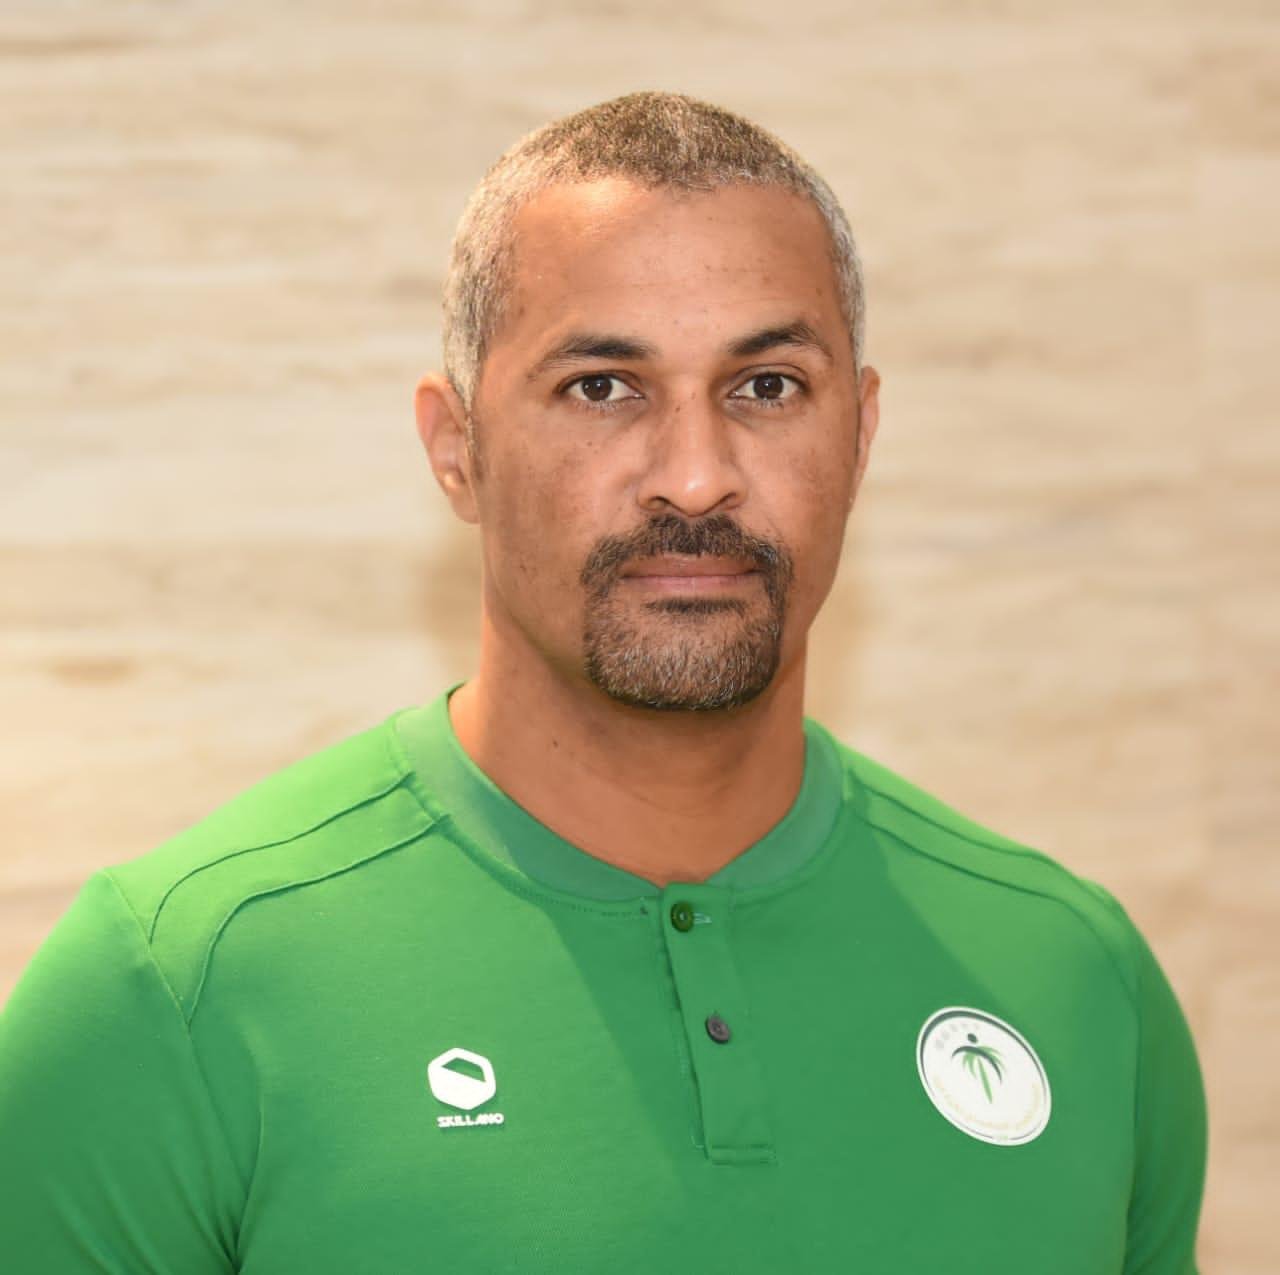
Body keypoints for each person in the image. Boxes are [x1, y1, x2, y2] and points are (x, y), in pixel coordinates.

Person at [0, 91, 1207, 1273]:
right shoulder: (170, 991)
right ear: (456, 450)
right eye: (601, 387)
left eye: (766, 386)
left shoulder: (1072, 976)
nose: (694, 475)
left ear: (860, 433)